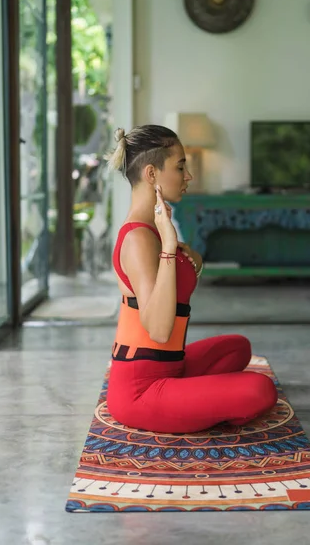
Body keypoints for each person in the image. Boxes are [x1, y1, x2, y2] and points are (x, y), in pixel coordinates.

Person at [105, 124, 278, 433]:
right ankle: (191, 407)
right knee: (259, 390)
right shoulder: (139, 239)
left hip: (171, 366)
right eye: (181, 166)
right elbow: (158, 330)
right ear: (151, 174)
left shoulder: (154, 228)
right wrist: (169, 249)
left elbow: (181, 280)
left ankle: (191, 399)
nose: (189, 176)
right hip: (140, 390)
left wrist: (189, 259)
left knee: (237, 347)